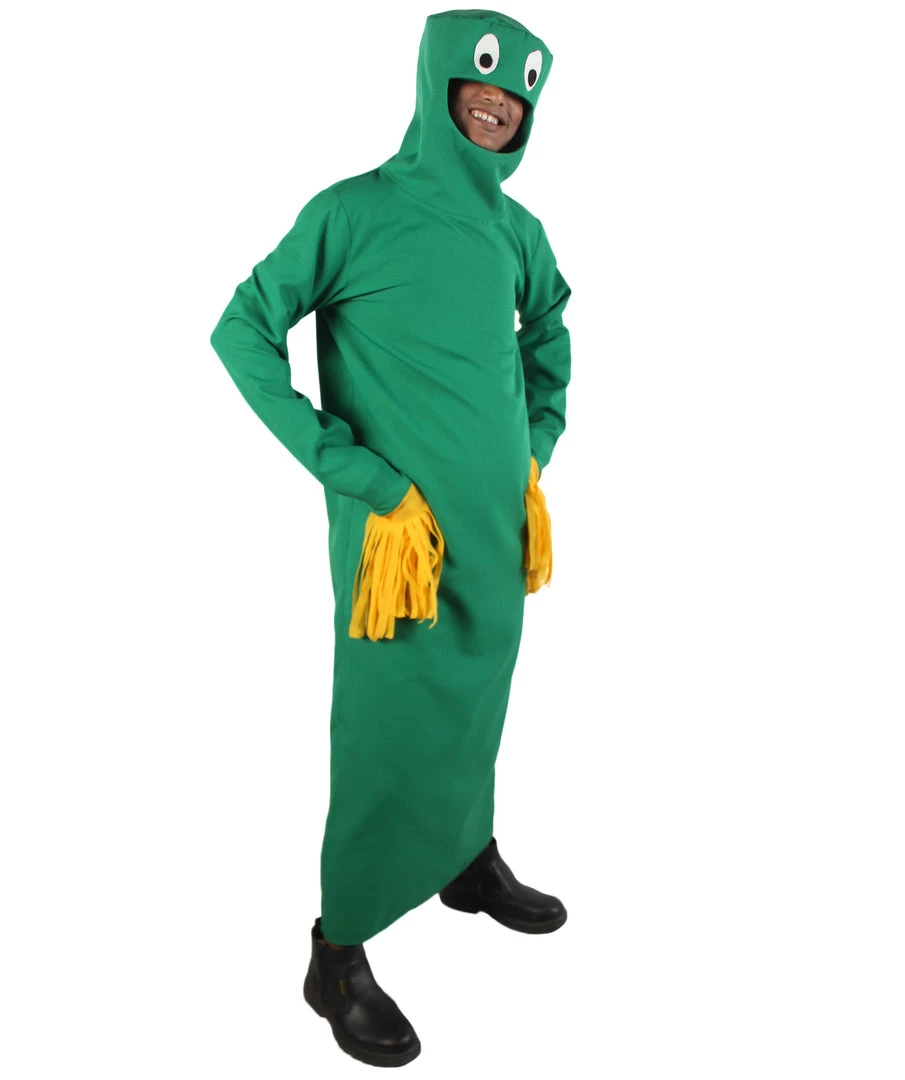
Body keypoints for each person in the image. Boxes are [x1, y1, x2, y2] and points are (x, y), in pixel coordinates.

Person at [210, 9, 571, 1068]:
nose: (499, 102)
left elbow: (550, 330)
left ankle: (464, 857)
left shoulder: (517, 233)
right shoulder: (353, 213)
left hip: (494, 533)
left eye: (518, 93)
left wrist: (532, 453)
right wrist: (355, 473)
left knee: (477, 697)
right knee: (383, 726)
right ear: (437, 79)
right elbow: (241, 330)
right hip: (397, 545)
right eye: (482, 79)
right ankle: (338, 951)